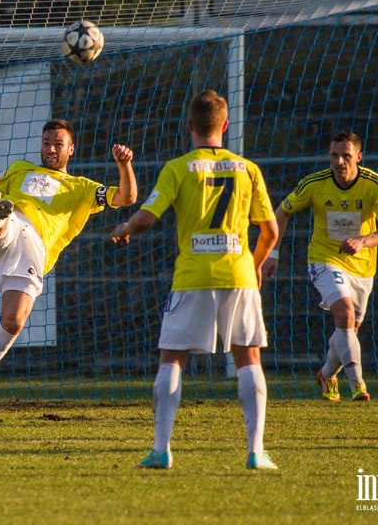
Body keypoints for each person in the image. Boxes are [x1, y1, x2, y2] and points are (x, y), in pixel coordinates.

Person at [110, 90, 279, 470]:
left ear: (189, 126)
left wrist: (125, 227)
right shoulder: (247, 168)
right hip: (239, 274)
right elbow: (269, 231)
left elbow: (147, 216)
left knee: (172, 359)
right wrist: (254, 265)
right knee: (248, 357)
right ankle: (255, 451)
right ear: (225, 125)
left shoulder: (179, 167)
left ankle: (161, 449)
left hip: (192, 277)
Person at [0, 118, 137, 412]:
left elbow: (126, 197)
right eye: (46, 143)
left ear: (71, 149)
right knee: (2, 214)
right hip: (11, 223)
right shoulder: (20, 168)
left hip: (33, 247)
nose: (51, 149)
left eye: (58, 144)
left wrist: (124, 164)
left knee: (14, 321)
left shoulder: (82, 188)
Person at [263, 131, 378, 402]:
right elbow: (282, 210)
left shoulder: (375, 185)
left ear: (358, 157)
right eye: (334, 155)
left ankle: (327, 374)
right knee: (345, 313)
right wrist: (273, 253)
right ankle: (358, 384)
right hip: (324, 260)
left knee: (347, 330)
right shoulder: (315, 183)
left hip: (362, 268)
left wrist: (364, 241)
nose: (339, 161)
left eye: (346, 156)